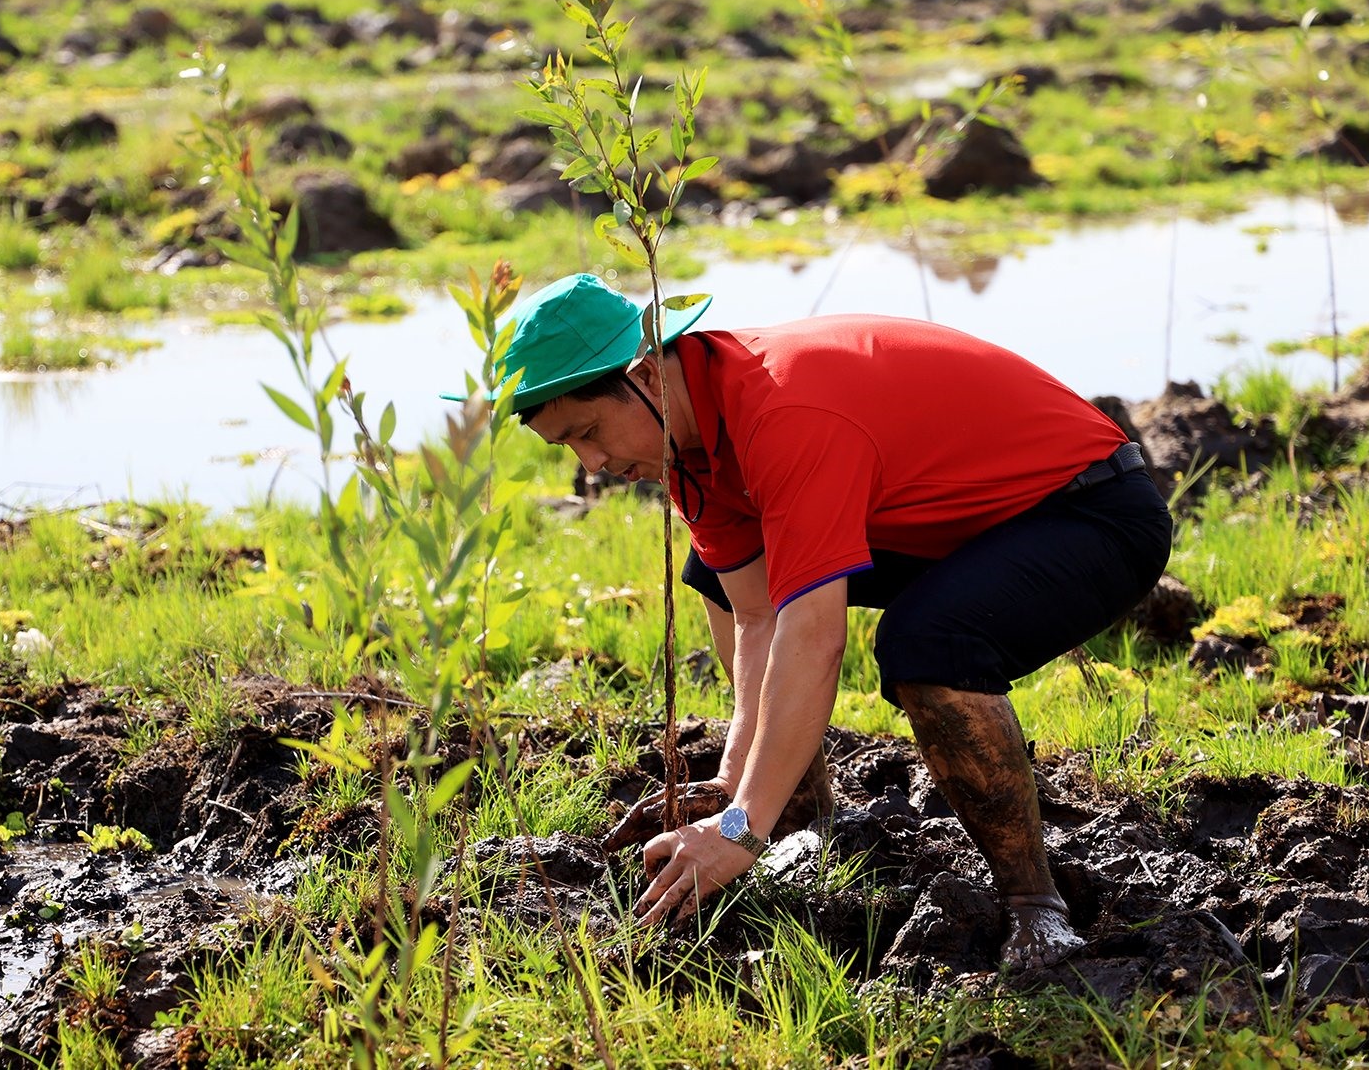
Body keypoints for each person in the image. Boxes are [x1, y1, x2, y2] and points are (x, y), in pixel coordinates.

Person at [474, 272, 1172, 970]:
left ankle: (1035, 903)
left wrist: (738, 831)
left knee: (928, 643)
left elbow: (813, 634)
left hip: (1090, 512)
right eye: (568, 447)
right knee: (713, 573)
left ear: (648, 374)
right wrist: (735, 790)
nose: (591, 465)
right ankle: (797, 804)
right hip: (957, 525)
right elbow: (755, 615)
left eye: (590, 432)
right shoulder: (687, 442)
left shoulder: (782, 412)